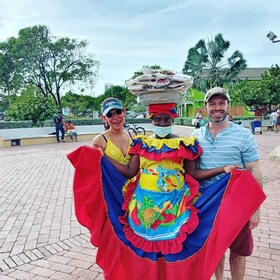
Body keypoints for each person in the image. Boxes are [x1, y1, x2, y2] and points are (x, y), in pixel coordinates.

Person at [189, 87, 264, 280]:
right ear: (205, 107)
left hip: (237, 202)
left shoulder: (243, 135)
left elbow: (254, 171)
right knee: (215, 248)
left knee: (238, 251)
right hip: (207, 203)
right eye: (212, 103)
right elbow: (192, 172)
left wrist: (255, 209)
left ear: (228, 106)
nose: (217, 108)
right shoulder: (195, 136)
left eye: (222, 103)